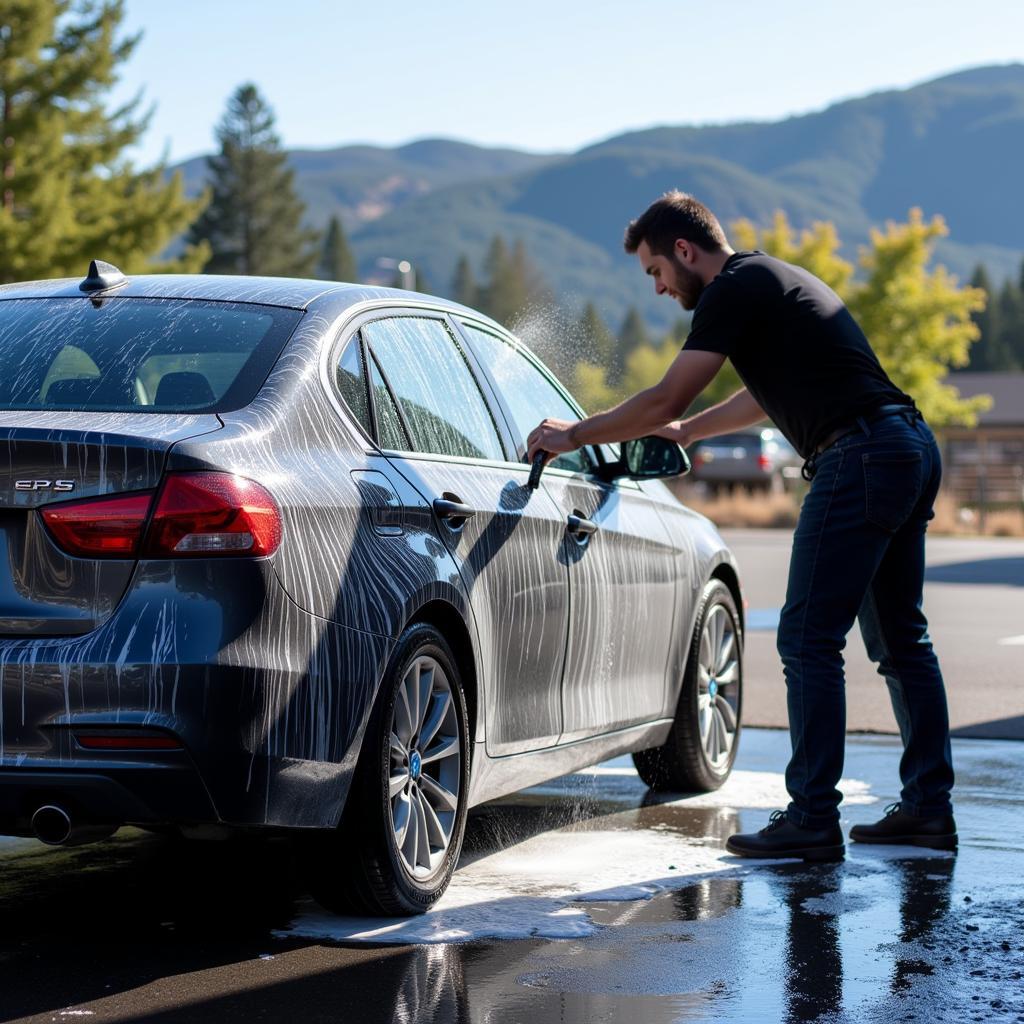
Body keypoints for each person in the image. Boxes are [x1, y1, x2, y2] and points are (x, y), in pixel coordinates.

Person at [527, 190, 956, 860]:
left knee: (808, 637)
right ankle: (929, 810)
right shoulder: (771, 280)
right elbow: (759, 392)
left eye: (655, 272)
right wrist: (691, 431)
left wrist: (574, 434)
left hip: (861, 456)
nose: (660, 289)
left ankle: (813, 818)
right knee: (902, 641)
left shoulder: (732, 288)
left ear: (685, 250)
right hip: (905, 445)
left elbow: (668, 392)